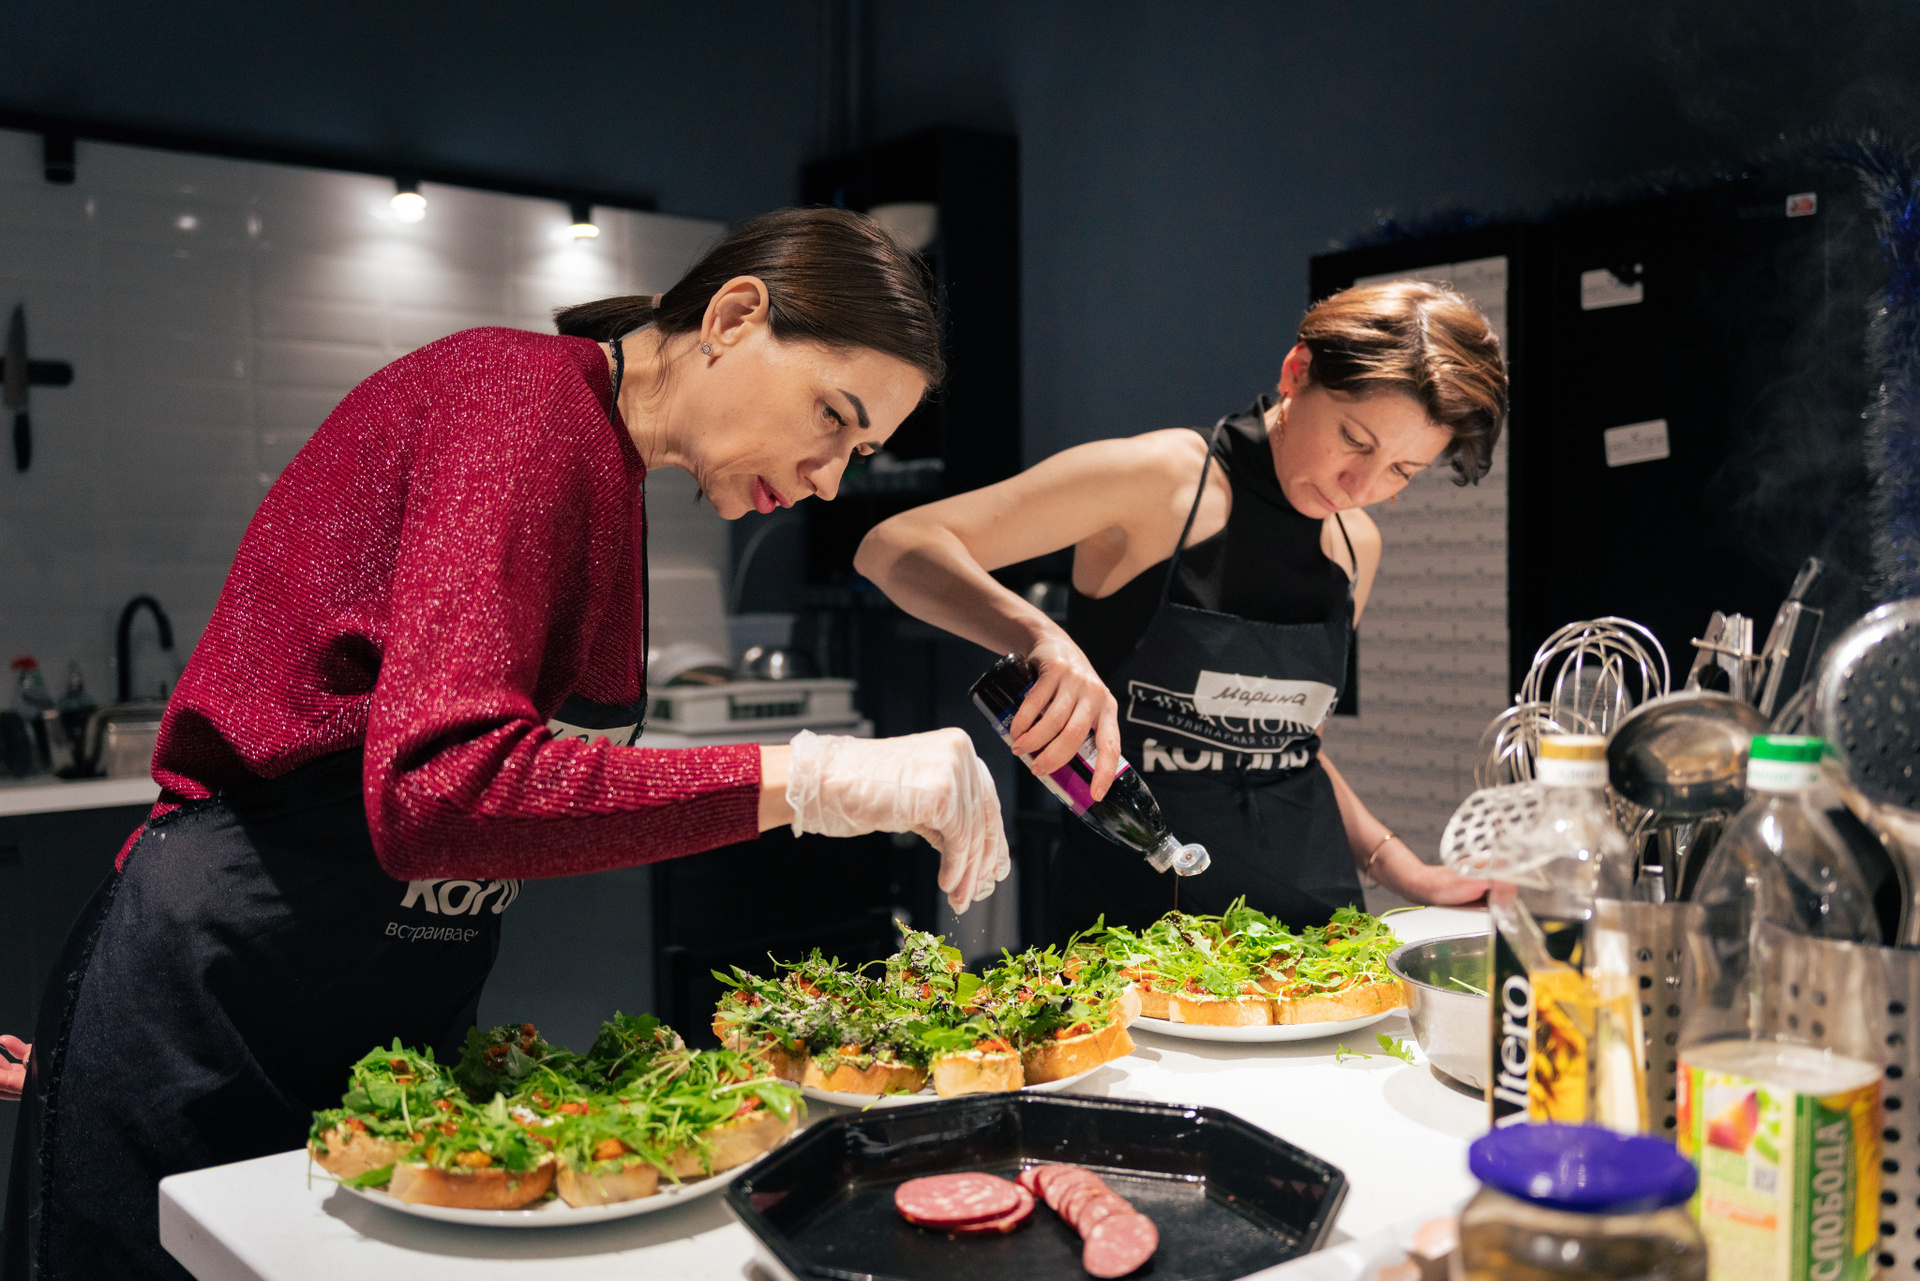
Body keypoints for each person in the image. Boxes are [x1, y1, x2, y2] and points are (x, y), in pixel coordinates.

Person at [2, 208, 1009, 1281]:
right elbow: (441, 793)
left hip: (385, 1032)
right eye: (833, 417)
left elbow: (523, 787)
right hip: (219, 1014)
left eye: (859, 452)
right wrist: (807, 776)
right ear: (732, 316)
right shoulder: (517, 399)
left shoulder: (608, 474)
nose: (829, 479)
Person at [857, 280, 1501, 936]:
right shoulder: (1159, 483)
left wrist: (1407, 872)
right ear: (1298, 371)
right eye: (1355, 439)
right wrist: (1040, 636)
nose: (1360, 486)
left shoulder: (1356, 544)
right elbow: (895, 547)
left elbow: (1288, 751)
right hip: (1135, 937)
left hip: (1315, 928)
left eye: (1401, 471)